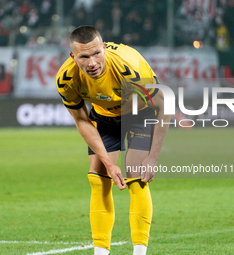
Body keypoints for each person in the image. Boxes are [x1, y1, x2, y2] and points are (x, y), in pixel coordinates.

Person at [56, 26, 170, 255]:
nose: (92, 63)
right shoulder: (66, 79)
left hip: (140, 112)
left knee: (137, 174)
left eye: (96, 53)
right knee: (98, 176)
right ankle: (100, 252)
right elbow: (82, 120)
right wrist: (108, 163)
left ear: (104, 48)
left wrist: (153, 158)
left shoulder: (130, 70)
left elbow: (164, 106)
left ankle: (139, 252)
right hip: (104, 115)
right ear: (72, 56)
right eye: (84, 57)